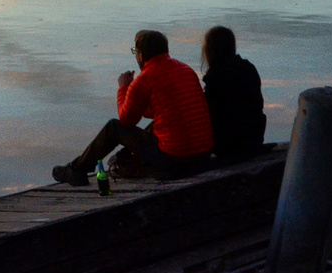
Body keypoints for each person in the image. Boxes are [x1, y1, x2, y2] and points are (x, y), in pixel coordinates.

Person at [52, 30, 213, 185]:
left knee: (114, 127)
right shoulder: (185, 70)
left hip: (175, 162)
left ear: (141, 55)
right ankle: (93, 164)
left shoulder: (145, 79)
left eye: (135, 52)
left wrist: (124, 88)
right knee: (159, 124)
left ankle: (77, 170)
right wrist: (138, 100)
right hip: (203, 157)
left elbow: (125, 121)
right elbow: (160, 110)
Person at [201, 25, 266, 161]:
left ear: (210, 50)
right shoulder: (248, 68)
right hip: (254, 139)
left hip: (227, 146)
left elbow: (210, 114)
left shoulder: (215, 77)